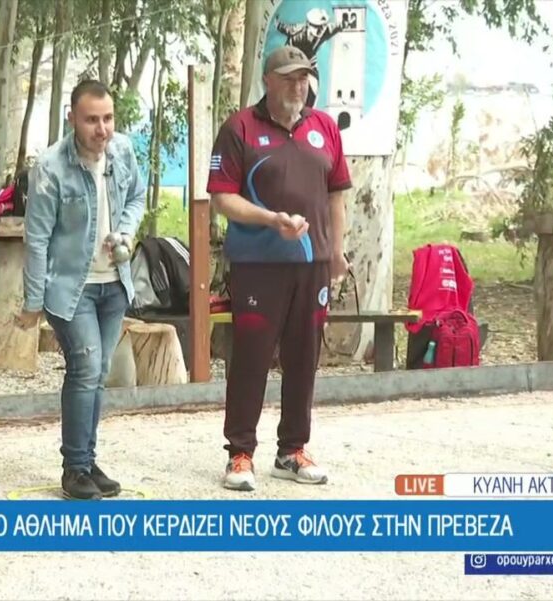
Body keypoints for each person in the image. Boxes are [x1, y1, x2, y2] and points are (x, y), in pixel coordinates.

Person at [207, 46, 352, 491]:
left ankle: (292, 450)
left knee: (304, 357)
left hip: (312, 264)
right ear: (267, 80)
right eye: (289, 78)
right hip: (258, 263)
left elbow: (336, 195)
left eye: (304, 77)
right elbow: (222, 197)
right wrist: (272, 220)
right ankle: (240, 453)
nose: (298, 86)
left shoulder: (325, 127)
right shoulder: (239, 128)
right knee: (251, 357)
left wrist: (337, 251)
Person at [17, 79, 146, 500]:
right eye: (92, 120)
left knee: (98, 373)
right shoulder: (50, 167)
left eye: (108, 118)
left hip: (114, 283)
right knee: (86, 368)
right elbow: (36, 238)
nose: (102, 129)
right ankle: (74, 468)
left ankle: (87, 461)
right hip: (71, 288)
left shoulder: (122, 151)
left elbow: (137, 198)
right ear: (72, 118)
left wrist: (125, 232)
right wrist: (33, 301)